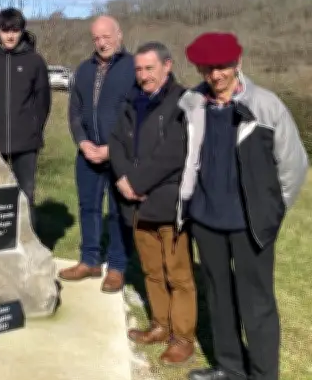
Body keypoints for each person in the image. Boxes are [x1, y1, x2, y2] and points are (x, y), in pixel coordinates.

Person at [178, 32, 308, 380]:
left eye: (222, 67)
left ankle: (264, 374)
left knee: (257, 303)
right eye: (207, 68)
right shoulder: (192, 103)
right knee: (219, 298)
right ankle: (230, 368)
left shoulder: (266, 105)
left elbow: (294, 166)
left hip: (249, 223)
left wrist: (273, 210)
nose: (215, 75)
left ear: (239, 64)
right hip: (206, 219)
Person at [109, 41, 196, 365]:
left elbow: (175, 151)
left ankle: (182, 338)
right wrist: (121, 178)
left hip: (169, 202)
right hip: (137, 203)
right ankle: (160, 325)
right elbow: (116, 140)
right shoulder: (133, 100)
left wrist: (138, 182)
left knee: (179, 276)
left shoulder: (183, 102)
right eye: (139, 69)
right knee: (152, 271)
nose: (143, 75)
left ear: (167, 66)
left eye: (149, 68)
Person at [59, 15, 135, 293]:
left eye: (107, 37)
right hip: (88, 153)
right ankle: (89, 260)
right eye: (96, 38)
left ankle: (116, 266)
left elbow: (137, 117)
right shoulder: (84, 69)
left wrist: (113, 149)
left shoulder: (132, 67)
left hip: (119, 155)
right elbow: (75, 111)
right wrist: (82, 142)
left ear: (119, 35)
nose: (102, 43)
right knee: (88, 208)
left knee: (118, 212)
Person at [0, 7, 51, 207]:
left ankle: (27, 237)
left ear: (22, 31)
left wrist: (34, 129)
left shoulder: (35, 61)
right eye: (5, 30)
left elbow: (43, 101)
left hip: (26, 143)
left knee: (25, 195)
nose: (10, 35)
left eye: (15, 30)